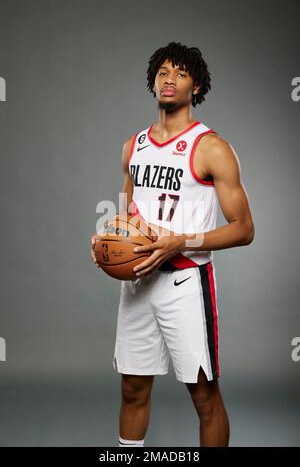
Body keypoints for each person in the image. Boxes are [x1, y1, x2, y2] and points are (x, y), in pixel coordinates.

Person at [91, 41, 255, 447]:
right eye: (162, 72)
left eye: (180, 73)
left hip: (185, 284)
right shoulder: (134, 146)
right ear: (153, 82)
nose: (169, 79)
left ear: (195, 86)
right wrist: (108, 240)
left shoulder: (212, 148)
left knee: (204, 397)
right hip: (138, 282)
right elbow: (129, 213)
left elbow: (244, 229)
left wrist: (181, 240)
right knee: (132, 389)